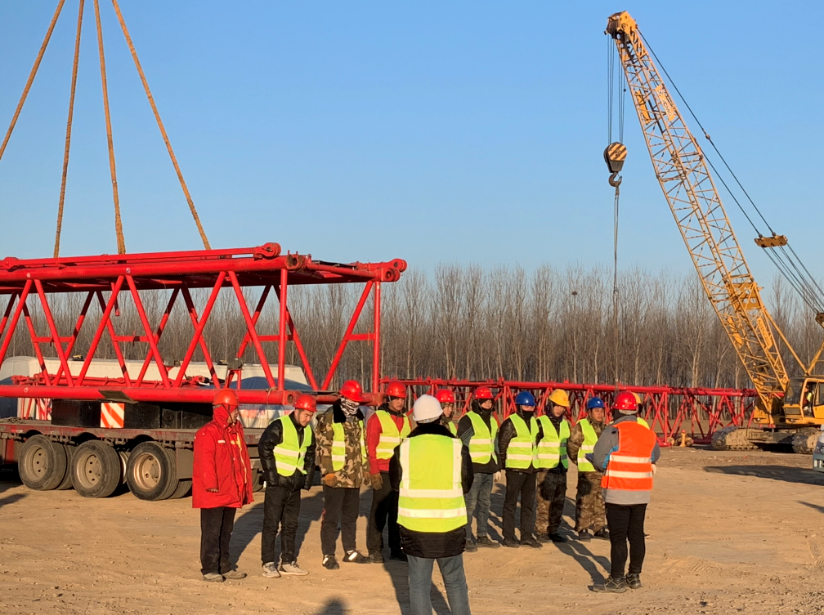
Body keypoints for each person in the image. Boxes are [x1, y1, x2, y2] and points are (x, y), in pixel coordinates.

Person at [390, 395, 473, 615]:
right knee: (455, 581)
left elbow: (395, 484)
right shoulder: (457, 447)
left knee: (418, 585)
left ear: (416, 420)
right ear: (439, 417)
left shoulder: (404, 448)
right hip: (450, 527)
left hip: (416, 529)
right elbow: (467, 483)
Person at [592, 391, 660, 593]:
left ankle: (616, 579)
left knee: (619, 537)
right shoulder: (647, 432)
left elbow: (598, 459)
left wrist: (606, 464)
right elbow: (654, 456)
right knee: (636, 534)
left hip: (618, 492)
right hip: (640, 492)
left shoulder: (614, 431)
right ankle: (634, 576)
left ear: (616, 409)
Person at [192, 389, 254, 582]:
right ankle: (209, 568)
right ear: (225, 409)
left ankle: (225, 566)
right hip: (214, 493)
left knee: (226, 531)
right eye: (235, 409)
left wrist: (242, 486)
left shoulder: (235, 432)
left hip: (230, 491)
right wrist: (211, 486)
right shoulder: (208, 432)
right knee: (212, 531)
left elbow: (240, 461)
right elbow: (205, 462)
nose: (237, 413)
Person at [258, 393, 317, 578]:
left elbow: (309, 455)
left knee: (291, 525)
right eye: (306, 415)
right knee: (271, 524)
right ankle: (268, 563)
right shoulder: (280, 425)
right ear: (297, 410)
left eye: (311, 416)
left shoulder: (308, 431)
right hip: (278, 485)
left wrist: (306, 479)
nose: (308, 419)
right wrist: (272, 476)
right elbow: (264, 446)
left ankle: (288, 561)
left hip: (294, 485)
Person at [315, 380, 371, 569]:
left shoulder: (358, 419)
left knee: (350, 516)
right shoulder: (329, 417)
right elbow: (323, 447)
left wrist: (366, 468)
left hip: (354, 477)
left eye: (358, 401)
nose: (355, 404)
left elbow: (362, 446)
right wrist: (327, 472)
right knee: (331, 517)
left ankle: (350, 551)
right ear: (344, 397)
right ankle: (328, 554)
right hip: (336, 477)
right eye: (353, 400)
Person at [365, 380, 412, 563]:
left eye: (402, 399)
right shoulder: (378, 418)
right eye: (397, 399)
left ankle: (396, 548)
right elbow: (371, 445)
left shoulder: (406, 420)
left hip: (399, 474)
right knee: (379, 512)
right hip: (383, 472)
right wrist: (374, 471)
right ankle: (375, 549)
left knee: (397, 513)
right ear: (389, 398)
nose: (400, 402)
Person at [457, 386, 501, 551]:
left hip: (489, 468)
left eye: (490, 401)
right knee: (470, 504)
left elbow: (494, 445)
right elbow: (463, 445)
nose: (488, 404)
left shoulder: (492, 420)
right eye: (485, 401)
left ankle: (482, 535)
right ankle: (466, 537)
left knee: (485, 504)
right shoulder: (468, 420)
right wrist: (464, 469)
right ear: (477, 402)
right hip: (473, 469)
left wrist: (498, 467)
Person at [497, 391, 542, 548]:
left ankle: (526, 536)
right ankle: (508, 536)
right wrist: (502, 466)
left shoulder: (535, 422)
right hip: (515, 469)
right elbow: (502, 445)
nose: (529, 408)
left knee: (529, 504)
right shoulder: (510, 423)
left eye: (531, 406)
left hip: (531, 469)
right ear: (519, 406)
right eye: (526, 406)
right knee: (510, 504)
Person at [567, 397, 608, 541]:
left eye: (602, 411)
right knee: (585, 499)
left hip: (602, 470)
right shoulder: (581, 426)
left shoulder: (606, 428)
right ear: (589, 412)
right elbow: (572, 447)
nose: (600, 414)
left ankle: (599, 527)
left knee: (600, 500)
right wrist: (579, 461)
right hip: (587, 469)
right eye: (596, 411)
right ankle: (583, 527)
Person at [535, 388, 571, 543]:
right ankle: (541, 531)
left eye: (562, 407)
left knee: (558, 502)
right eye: (557, 405)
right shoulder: (540, 423)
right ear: (550, 404)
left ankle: (554, 530)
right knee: (544, 502)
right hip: (545, 469)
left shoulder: (566, 425)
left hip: (561, 468)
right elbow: (533, 444)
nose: (559, 409)